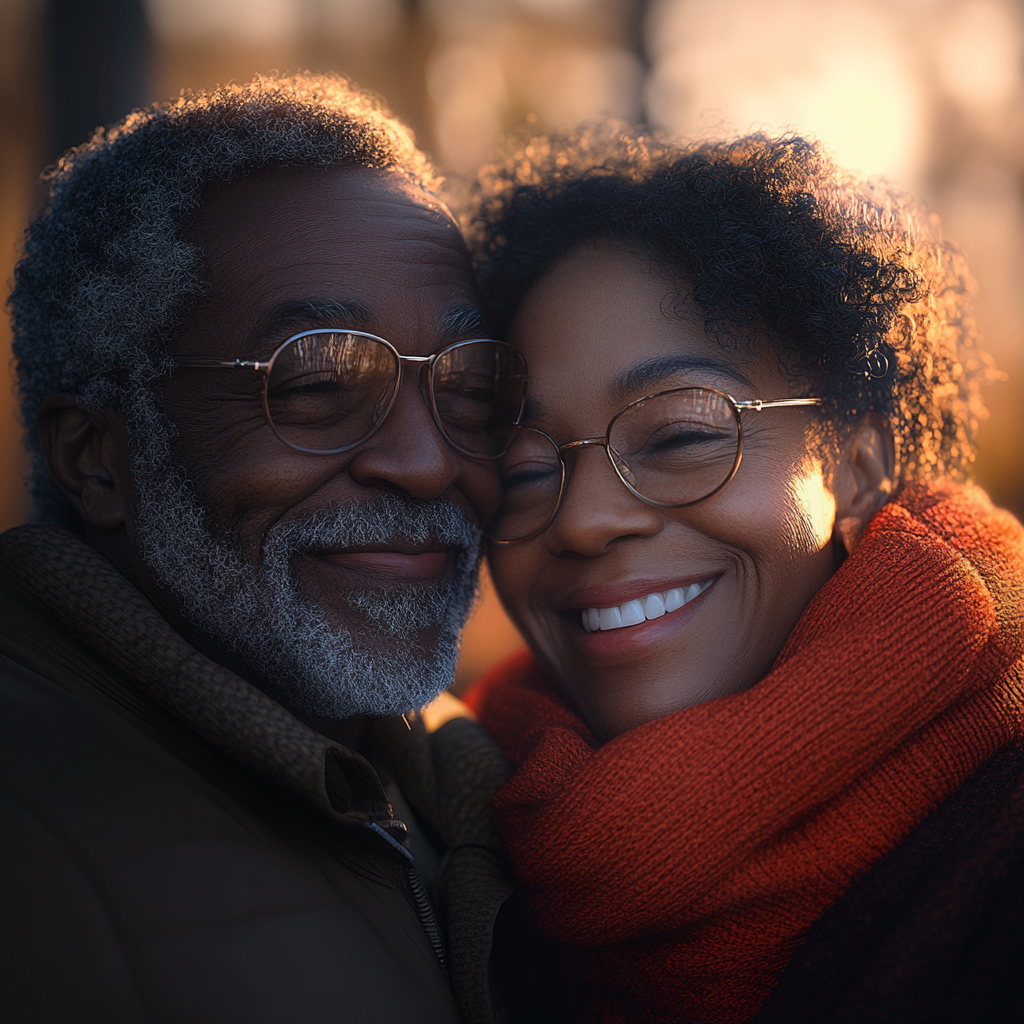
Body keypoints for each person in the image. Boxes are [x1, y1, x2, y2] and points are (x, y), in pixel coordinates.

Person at [464, 130, 1024, 1023]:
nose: (582, 518)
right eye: (529, 470)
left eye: (683, 435)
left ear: (856, 462)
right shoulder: (445, 851)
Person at [0, 74, 524, 1024]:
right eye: (319, 380)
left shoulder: (487, 775)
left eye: (472, 388)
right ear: (97, 459)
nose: (427, 461)